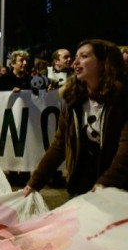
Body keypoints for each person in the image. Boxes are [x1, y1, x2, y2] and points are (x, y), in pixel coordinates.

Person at [24, 39, 128, 197]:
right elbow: (59, 144)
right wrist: (34, 184)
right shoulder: (72, 99)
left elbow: (125, 147)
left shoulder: (122, 99)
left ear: (102, 63)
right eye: (76, 56)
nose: (75, 62)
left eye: (84, 56)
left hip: (117, 190)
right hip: (79, 187)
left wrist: (106, 183)